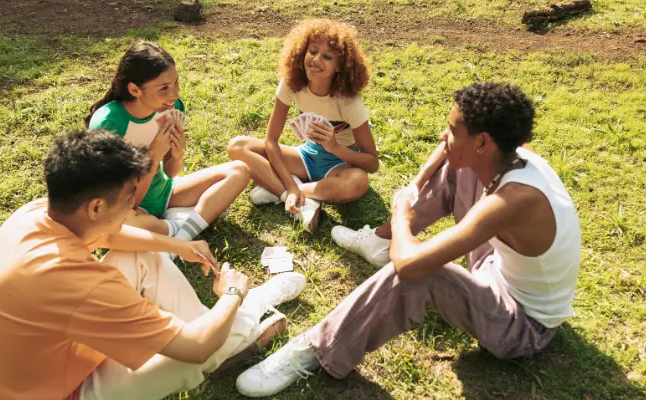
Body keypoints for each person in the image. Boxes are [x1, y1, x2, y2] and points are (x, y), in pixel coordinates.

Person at [235, 82, 581, 397]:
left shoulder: (514, 200)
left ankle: (316, 349)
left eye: (451, 129)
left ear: (482, 142)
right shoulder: (511, 153)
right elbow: (445, 153)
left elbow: (411, 265)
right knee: (453, 170)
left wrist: (403, 216)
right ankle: (379, 242)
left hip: (519, 324)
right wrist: (415, 186)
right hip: (496, 268)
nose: (444, 136)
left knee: (415, 273)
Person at [0, 130, 306, 400]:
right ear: (96, 207)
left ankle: (230, 333)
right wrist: (234, 291)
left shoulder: (40, 212)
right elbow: (195, 346)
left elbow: (112, 238)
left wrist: (179, 245)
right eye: (129, 197)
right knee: (196, 352)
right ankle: (244, 322)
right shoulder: (80, 282)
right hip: (66, 392)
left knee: (142, 255)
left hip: (49, 360)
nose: (136, 206)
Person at [87, 40, 250, 241]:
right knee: (116, 227)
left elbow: (172, 172)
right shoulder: (108, 123)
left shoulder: (171, 108)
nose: (175, 94)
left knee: (239, 170)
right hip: (128, 207)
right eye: (164, 88)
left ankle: (181, 234)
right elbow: (128, 202)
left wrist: (177, 153)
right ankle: (179, 225)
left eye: (176, 83)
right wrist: (153, 156)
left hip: (166, 192)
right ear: (135, 90)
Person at [228, 19, 378, 232]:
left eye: (327, 57)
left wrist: (335, 147)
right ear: (302, 53)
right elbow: (271, 141)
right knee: (238, 146)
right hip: (307, 155)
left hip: (341, 164)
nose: (316, 60)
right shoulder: (291, 84)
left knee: (359, 182)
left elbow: (372, 163)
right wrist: (289, 186)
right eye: (313, 51)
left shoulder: (348, 101)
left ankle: (287, 190)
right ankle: (290, 193)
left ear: (339, 67)